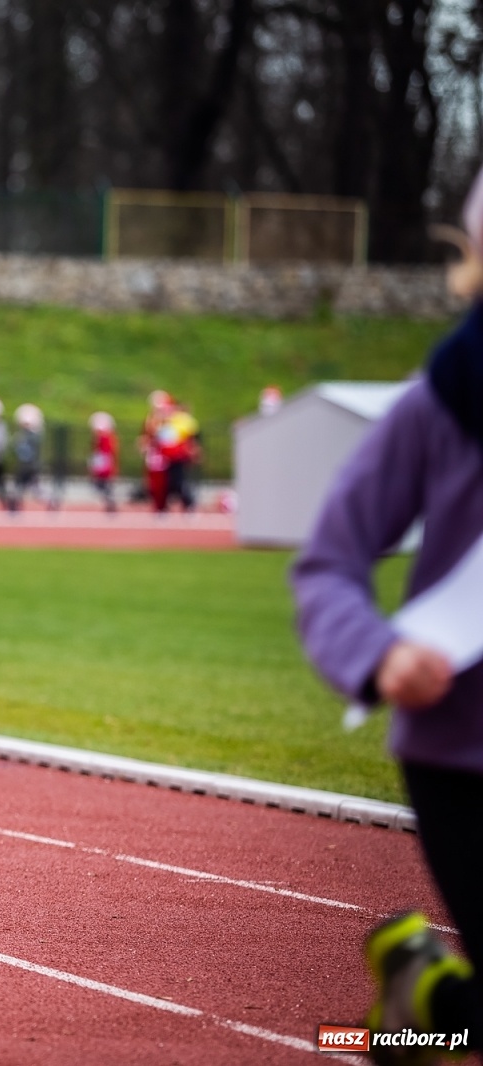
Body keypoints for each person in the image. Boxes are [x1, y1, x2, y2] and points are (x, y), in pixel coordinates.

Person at [292, 172, 483, 1062]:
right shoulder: (440, 402)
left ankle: (427, 998)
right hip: (461, 751)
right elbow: (329, 563)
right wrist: (375, 655)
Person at [11, 403, 44, 510]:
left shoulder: (33, 436)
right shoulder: (21, 436)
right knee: (20, 487)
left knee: (34, 489)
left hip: (31, 466)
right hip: (23, 466)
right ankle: (16, 506)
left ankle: (50, 503)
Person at [88, 411, 118, 514]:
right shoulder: (102, 438)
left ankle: (110, 505)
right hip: (102, 464)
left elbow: (106, 453)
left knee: (104, 486)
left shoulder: (105, 438)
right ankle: (109, 504)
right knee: (102, 487)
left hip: (104, 466)